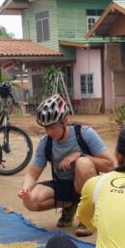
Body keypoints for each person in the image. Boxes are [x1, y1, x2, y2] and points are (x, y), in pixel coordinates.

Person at [18, 94, 116, 236]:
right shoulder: (46, 142)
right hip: (63, 184)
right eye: (45, 128)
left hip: (86, 186)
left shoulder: (85, 134)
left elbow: (111, 165)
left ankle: (87, 216)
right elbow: (32, 174)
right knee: (30, 200)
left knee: (83, 163)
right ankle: (70, 205)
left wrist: (79, 155)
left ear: (65, 121)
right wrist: (25, 189)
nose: (49, 132)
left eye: (52, 127)